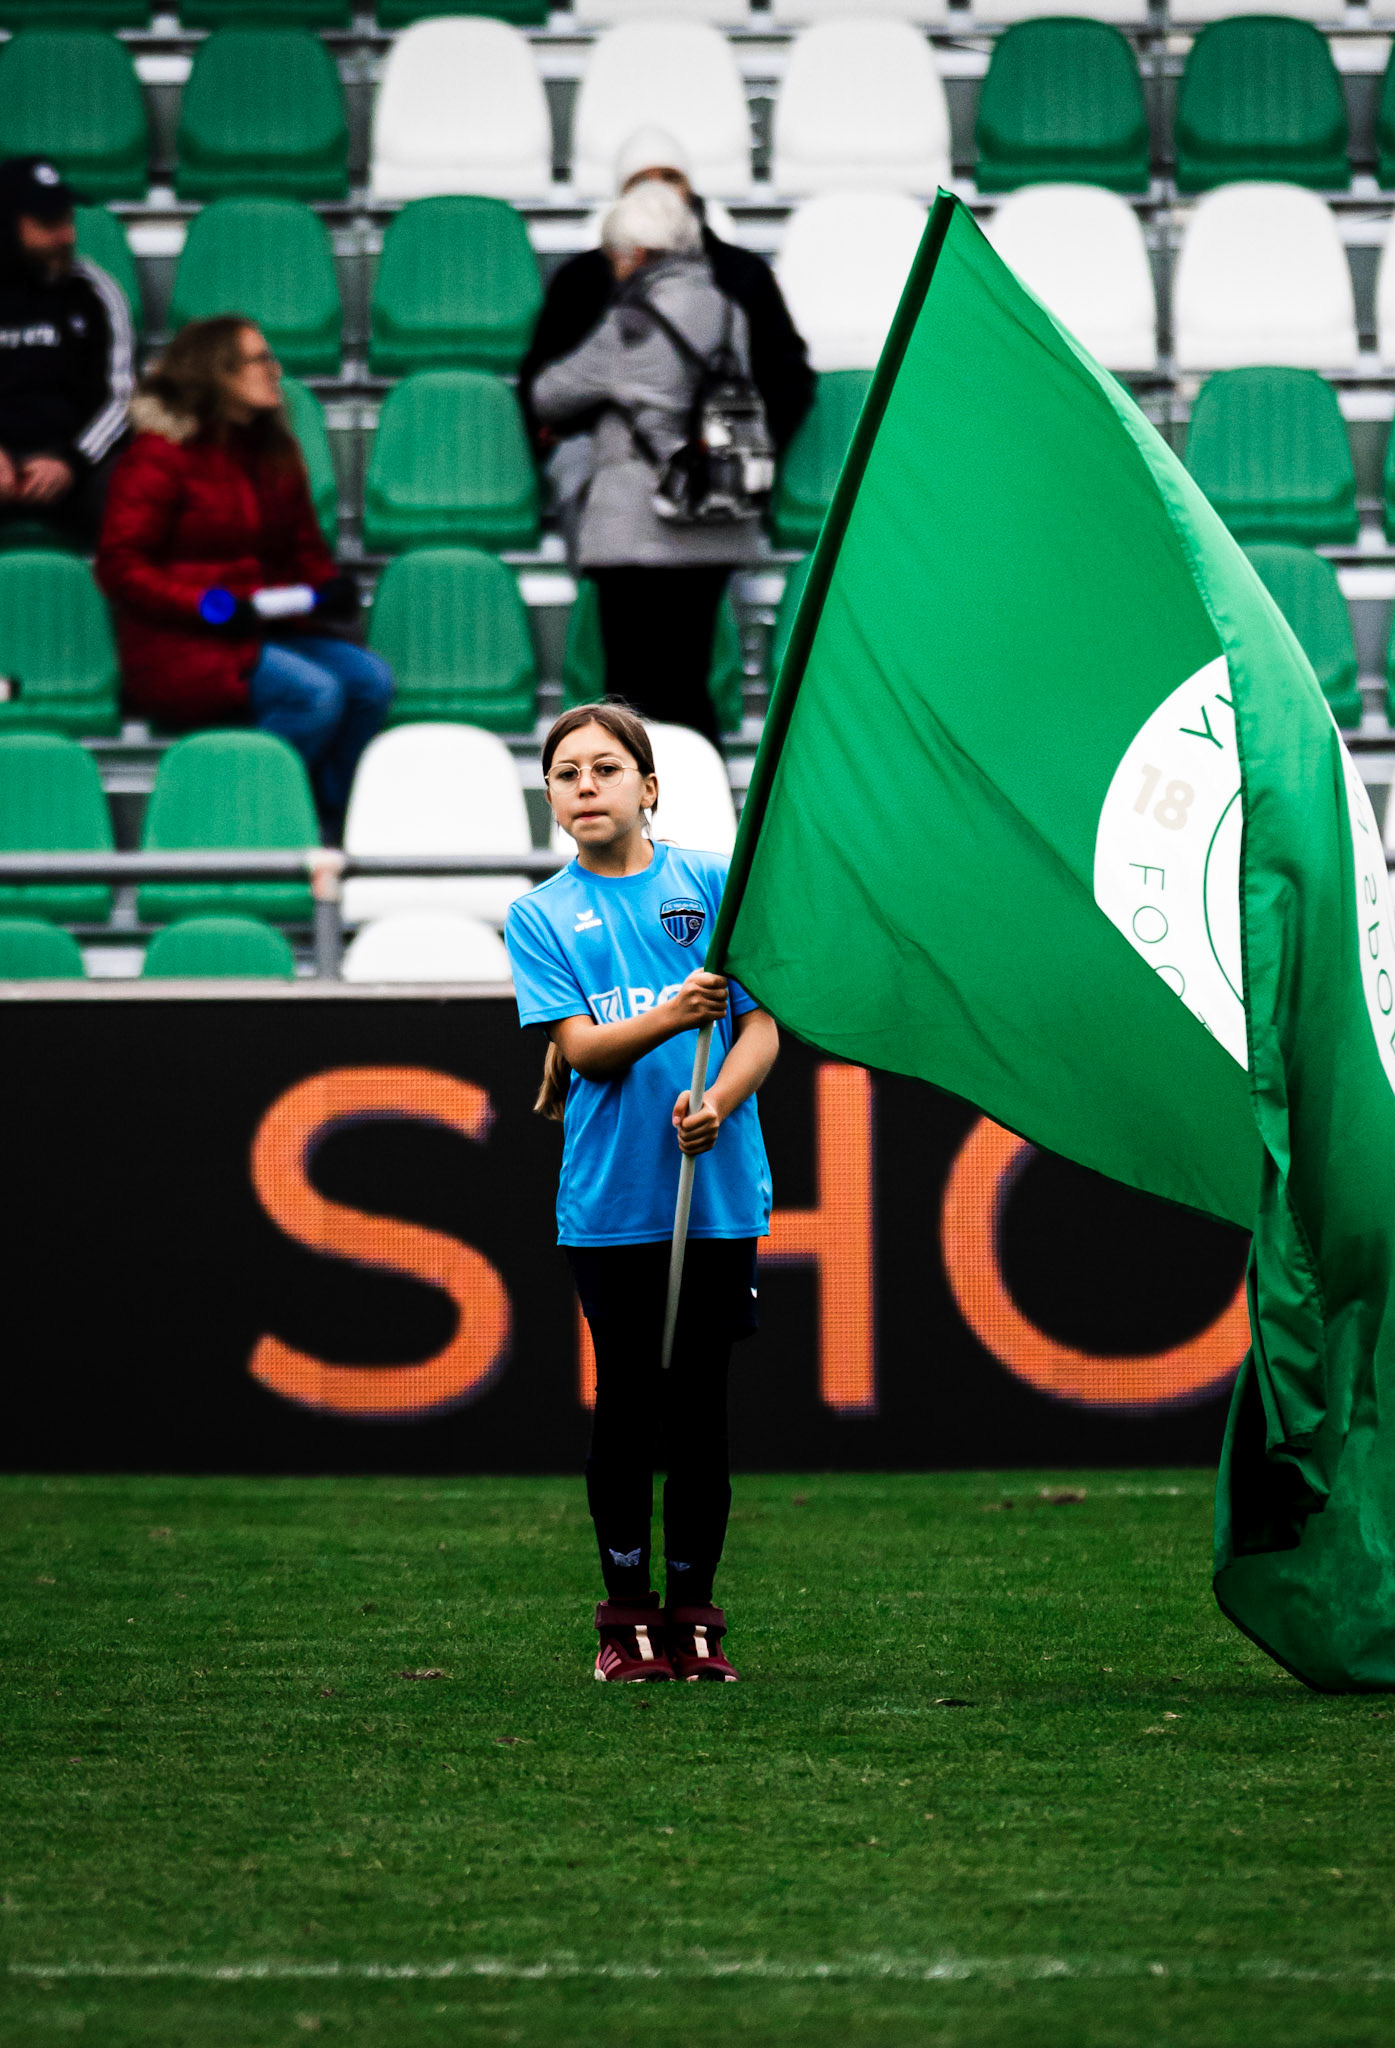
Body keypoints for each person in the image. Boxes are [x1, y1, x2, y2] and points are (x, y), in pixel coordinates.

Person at [504, 700, 779, 1684]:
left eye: (604, 768)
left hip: (715, 1196)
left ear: (647, 787)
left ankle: (693, 1613)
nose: (584, 785)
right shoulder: (540, 915)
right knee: (627, 1404)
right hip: (612, 1201)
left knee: (699, 1407)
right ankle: (625, 1621)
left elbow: (761, 1028)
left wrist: (717, 1098)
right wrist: (673, 1012)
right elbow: (579, 1047)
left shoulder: (711, 883)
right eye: (565, 773)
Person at [96, 316, 392, 838]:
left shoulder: (272, 453)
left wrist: (327, 591)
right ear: (219, 373)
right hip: (180, 646)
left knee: (369, 681)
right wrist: (207, 605)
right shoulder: (159, 457)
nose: (275, 371)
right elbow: (121, 567)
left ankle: (328, 821)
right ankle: (250, 816)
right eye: (260, 360)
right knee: (313, 695)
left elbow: (304, 550)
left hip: (261, 632)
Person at [529, 182, 769, 748]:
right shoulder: (727, 309)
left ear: (636, 255)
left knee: (632, 700)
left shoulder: (633, 324)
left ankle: (644, 826)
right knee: (689, 688)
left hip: (639, 528)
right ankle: (704, 813)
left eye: (616, 257)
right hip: (712, 518)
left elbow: (551, 393)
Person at [518, 126, 814, 465]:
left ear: (690, 188)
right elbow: (546, 380)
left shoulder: (744, 274)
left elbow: (785, 375)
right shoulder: (581, 279)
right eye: (641, 180)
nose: (657, 189)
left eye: (670, 176)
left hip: (718, 464)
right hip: (609, 452)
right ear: (621, 195)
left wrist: (750, 443)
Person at [0, 156, 135, 548]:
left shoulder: (95, 291)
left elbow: (121, 398)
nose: (67, 235)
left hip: (77, 463)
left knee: (143, 497)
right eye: (48, 223)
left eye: (68, 219)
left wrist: (72, 461)